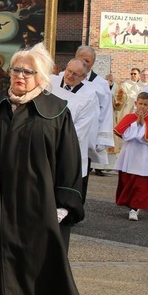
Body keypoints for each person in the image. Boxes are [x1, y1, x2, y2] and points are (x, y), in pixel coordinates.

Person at [0, 44, 88, 295]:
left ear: (41, 76)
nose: (20, 76)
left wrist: (62, 206)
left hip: (37, 210)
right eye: (16, 70)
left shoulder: (56, 112)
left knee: (30, 274)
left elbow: (69, 161)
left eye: (28, 72)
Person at [50, 58, 100, 200]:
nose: (70, 76)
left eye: (76, 74)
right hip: (46, 140)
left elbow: (80, 128)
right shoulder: (49, 83)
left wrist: (58, 142)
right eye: (69, 71)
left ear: (84, 77)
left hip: (67, 144)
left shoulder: (89, 96)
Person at [114, 92, 148, 221]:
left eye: (145, 104)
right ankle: (129, 204)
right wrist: (135, 123)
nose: (142, 107)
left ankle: (135, 208)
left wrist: (142, 125)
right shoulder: (129, 117)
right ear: (135, 104)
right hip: (129, 154)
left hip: (143, 156)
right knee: (127, 180)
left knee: (140, 183)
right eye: (140, 104)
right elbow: (126, 136)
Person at [74, 45, 114, 173]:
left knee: (82, 171)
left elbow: (106, 112)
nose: (83, 64)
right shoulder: (65, 77)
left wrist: (101, 139)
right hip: (66, 131)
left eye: (87, 61)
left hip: (88, 135)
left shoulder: (100, 84)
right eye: (80, 59)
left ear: (93, 62)